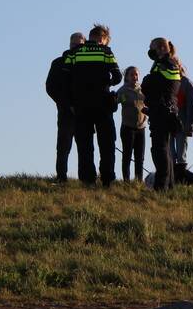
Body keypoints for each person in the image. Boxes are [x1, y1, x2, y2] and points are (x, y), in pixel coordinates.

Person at [66, 24, 122, 187]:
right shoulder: (106, 52)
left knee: (84, 145)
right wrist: (106, 82)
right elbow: (118, 77)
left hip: (81, 104)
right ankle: (107, 180)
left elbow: (67, 77)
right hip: (102, 103)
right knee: (107, 144)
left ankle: (88, 179)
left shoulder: (75, 52)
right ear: (102, 39)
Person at [140, 37, 181, 191]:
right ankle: (168, 185)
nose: (150, 51)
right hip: (161, 110)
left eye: (152, 48)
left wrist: (147, 81)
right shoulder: (162, 63)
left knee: (160, 149)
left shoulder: (167, 64)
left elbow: (156, 84)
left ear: (161, 48)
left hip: (163, 111)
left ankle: (161, 186)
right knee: (163, 148)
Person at [45, 32, 85, 182]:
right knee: (63, 146)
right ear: (69, 44)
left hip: (84, 112)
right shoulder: (58, 63)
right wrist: (66, 104)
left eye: (79, 44)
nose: (76, 47)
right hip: (65, 111)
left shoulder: (86, 64)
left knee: (85, 147)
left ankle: (85, 179)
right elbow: (50, 87)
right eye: (74, 44)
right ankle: (61, 177)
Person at [115, 66, 147, 182]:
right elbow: (115, 102)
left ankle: (138, 181)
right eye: (132, 75)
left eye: (136, 74)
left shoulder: (143, 89)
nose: (135, 77)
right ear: (127, 77)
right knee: (127, 156)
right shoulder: (123, 91)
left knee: (140, 157)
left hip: (141, 128)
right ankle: (127, 181)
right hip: (128, 127)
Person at [171, 59, 193, 184]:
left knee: (181, 152)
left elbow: (191, 105)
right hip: (169, 122)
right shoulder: (166, 81)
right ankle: (171, 177)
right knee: (170, 152)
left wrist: (190, 123)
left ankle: (181, 178)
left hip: (182, 122)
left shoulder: (186, 83)